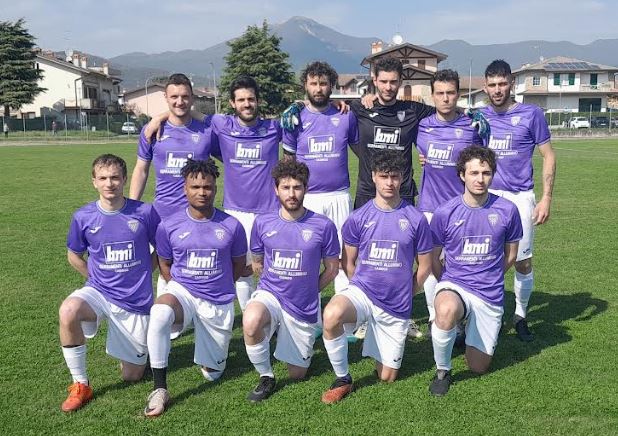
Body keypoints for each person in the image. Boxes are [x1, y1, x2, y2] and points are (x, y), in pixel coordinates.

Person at [143, 76, 282, 311]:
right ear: (232, 103)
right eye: (241, 100)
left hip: (270, 210)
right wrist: (159, 117)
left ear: (258, 101)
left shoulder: (273, 128)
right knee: (242, 268)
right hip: (236, 211)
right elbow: (184, 111)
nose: (246, 104)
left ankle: (274, 313)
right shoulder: (221, 124)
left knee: (273, 266)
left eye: (251, 99)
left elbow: (303, 120)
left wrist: (306, 105)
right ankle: (249, 316)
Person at [320, 150, 432, 404]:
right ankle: (342, 378)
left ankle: (376, 331)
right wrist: (362, 288)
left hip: (396, 303)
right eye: (384, 176)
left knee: (387, 376)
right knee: (332, 314)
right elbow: (348, 263)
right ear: (373, 177)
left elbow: (425, 266)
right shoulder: (358, 217)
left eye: (394, 176)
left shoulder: (416, 218)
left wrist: (407, 293)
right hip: (363, 292)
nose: (389, 182)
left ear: (402, 178)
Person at [144, 159, 248, 417]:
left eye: (207, 187)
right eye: (195, 187)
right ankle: (159, 388)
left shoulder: (232, 225)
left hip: (217, 299)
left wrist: (219, 286)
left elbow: (238, 265)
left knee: (213, 374)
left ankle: (209, 352)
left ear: (215, 188)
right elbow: (165, 263)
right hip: (184, 293)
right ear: (185, 188)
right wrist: (178, 286)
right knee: (160, 312)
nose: (202, 192)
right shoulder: (168, 225)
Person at [58, 154, 159, 412]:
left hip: (134, 300)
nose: (109, 183)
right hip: (99, 291)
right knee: (68, 310)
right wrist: (94, 277)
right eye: (102, 178)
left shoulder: (145, 212)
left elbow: (163, 248)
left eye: (114, 177)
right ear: (94, 182)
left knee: (132, 376)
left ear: (124, 179)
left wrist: (145, 271)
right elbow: (74, 255)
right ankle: (80, 384)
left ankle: (139, 353)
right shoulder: (83, 217)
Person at [243, 159, 340, 402]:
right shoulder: (263, 222)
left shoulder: (323, 225)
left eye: (297, 187)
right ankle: (266, 375)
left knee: (297, 374)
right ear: (276, 189)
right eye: (285, 187)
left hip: (302, 305)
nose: (291, 194)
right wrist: (272, 286)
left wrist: (309, 291)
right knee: (251, 319)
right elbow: (258, 262)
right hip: (271, 294)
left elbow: (332, 269)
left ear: (306, 188)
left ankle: (286, 335)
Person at [428, 146, 522, 396]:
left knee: (478, 367)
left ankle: (468, 327)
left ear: (492, 175)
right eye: (474, 173)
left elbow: (511, 255)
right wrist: (445, 284)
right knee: (446, 308)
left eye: (486, 173)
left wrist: (490, 276)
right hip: (455, 284)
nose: (480, 179)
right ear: (462, 175)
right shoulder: (445, 212)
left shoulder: (508, 210)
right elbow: (434, 257)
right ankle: (442, 371)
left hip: (489, 293)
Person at [480, 60, 556, 341]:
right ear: (485, 87)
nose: (497, 90)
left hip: (520, 199)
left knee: (522, 261)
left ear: (511, 84)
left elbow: (548, 155)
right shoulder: (479, 116)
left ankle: (520, 315)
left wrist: (546, 198)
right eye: (492, 85)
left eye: (502, 84)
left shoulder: (531, 114)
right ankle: (490, 314)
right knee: (486, 259)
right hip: (486, 198)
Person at [129, 73, 216, 295]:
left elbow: (230, 153)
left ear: (192, 98)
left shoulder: (206, 132)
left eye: (185, 96)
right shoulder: (152, 130)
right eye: (174, 97)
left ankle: (195, 305)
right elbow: (141, 169)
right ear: (165, 98)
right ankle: (164, 308)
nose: (180, 101)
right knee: (162, 264)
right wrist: (131, 206)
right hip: (163, 213)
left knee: (196, 264)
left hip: (198, 213)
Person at [282, 61, 359, 298]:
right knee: (307, 256)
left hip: (339, 195)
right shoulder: (295, 117)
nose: (318, 88)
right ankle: (308, 310)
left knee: (344, 257)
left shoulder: (345, 116)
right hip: (308, 198)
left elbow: (361, 152)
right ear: (305, 85)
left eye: (323, 83)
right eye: (313, 83)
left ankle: (344, 311)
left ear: (331, 85)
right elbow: (288, 161)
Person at [415, 69, 482, 333]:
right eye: (440, 93)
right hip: (430, 208)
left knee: (458, 264)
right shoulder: (422, 125)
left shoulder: (471, 126)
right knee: (430, 264)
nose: (445, 98)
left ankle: (462, 317)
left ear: (458, 94)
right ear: (432, 95)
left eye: (451, 93)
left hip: (461, 208)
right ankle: (435, 317)